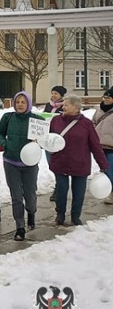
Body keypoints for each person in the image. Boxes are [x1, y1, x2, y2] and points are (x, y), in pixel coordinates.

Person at [50, 94, 109, 226]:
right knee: (61, 190)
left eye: (66, 105)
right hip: (60, 162)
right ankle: (60, 214)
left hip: (80, 163)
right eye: (63, 105)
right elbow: (49, 138)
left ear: (76, 107)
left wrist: (103, 164)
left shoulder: (86, 124)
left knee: (79, 192)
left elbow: (95, 145)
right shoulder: (56, 121)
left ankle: (75, 216)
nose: (63, 107)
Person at [0, 91, 42, 241]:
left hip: (30, 164)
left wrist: (38, 144)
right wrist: (4, 144)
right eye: (18, 102)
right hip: (11, 162)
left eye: (23, 102)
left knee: (30, 195)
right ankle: (19, 227)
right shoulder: (7, 118)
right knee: (16, 197)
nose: (20, 105)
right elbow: (0, 133)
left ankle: (31, 212)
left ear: (28, 103)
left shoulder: (37, 120)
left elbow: (44, 140)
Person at [44, 85, 66, 202]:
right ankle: (59, 185)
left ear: (61, 95)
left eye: (56, 93)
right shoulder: (48, 105)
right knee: (51, 164)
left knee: (58, 165)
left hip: (58, 139)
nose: (53, 95)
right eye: (52, 93)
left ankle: (58, 189)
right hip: (47, 139)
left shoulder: (65, 106)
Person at [92, 86, 113, 204]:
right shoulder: (99, 110)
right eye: (104, 97)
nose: (105, 99)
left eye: (108, 97)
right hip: (99, 146)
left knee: (110, 170)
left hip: (111, 146)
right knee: (105, 170)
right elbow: (93, 122)